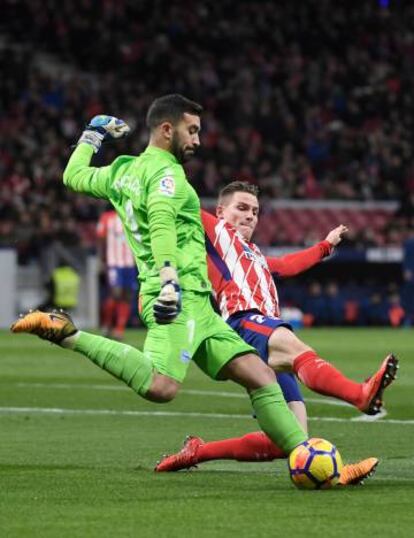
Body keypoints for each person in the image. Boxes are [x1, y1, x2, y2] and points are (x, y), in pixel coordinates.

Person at [11, 94, 311, 466]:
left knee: (261, 375)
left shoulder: (122, 171)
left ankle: (308, 458)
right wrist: (170, 278)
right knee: (161, 386)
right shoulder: (167, 174)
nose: (198, 140)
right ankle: (67, 333)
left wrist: (92, 135)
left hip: (199, 303)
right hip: (177, 293)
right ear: (167, 130)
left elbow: (73, 176)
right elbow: (162, 223)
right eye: (193, 130)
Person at [155, 181, 398, 480]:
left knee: (290, 440)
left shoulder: (255, 254)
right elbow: (182, 197)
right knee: (294, 346)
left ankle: (198, 451)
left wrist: (325, 246)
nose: (249, 216)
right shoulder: (215, 233)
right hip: (243, 323)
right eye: (241, 208)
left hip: (265, 331)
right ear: (219, 212)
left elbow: (287, 264)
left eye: (255, 211)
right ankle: (359, 394)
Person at [97, 208, 138, 339]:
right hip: (114, 262)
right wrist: (102, 259)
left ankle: (119, 329)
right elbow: (100, 239)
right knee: (115, 293)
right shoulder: (107, 217)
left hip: (130, 263)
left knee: (127, 296)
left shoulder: (133, 216)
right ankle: (106, 324)